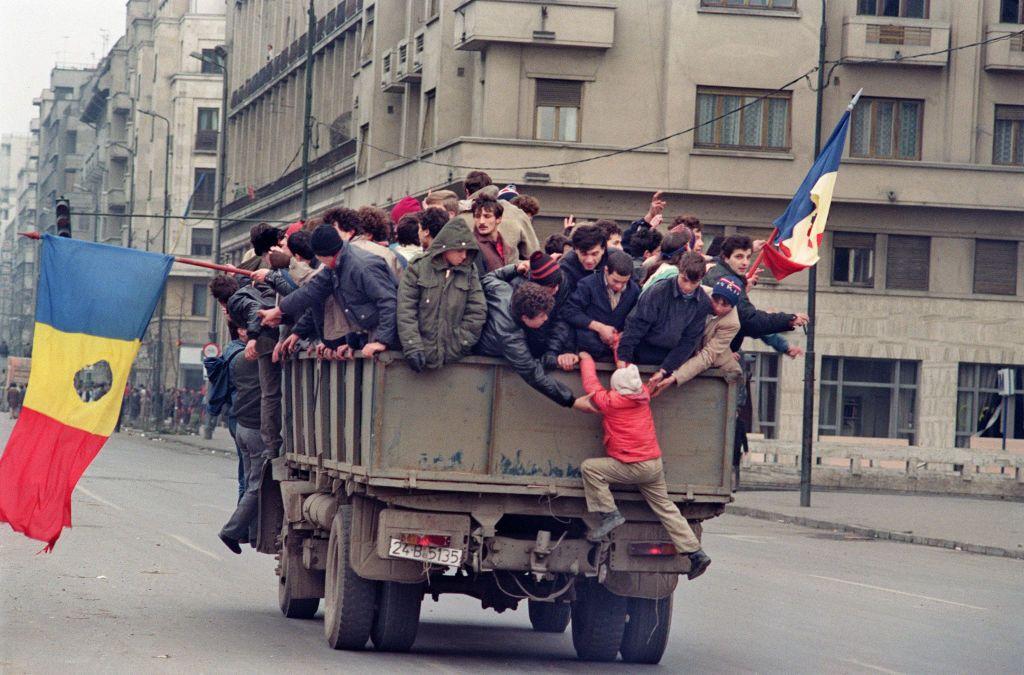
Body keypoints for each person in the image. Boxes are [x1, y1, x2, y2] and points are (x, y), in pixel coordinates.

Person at [575, 352, 711, 580]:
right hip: (653, 466)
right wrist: (619, 345)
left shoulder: (611, 402)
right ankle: (696, 553)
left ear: (617, 388)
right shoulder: (644, 394)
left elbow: (591, 383)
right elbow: (629, 371)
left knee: (591, 468)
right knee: (665, 508)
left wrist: (585, 358)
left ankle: (609, 514)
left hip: (633, 466)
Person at [261, 224, 399, 359]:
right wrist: (279, 310)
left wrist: (381, 342)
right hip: (371, 334)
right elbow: (311, 291)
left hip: (387, 338)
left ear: (321, 255)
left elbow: (388, 301)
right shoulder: (337, 265)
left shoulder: (362, 266)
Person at [475, 279, 586, 409]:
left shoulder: (503, 290)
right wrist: (572, 401)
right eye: (542, 316)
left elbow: (488, 278)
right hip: (487, 353)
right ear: (525, 318)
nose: (546, 318)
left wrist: (514, 268)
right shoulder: (511, 338)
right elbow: (533, 374)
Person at [397, 217, 487, 371]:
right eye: (459, 250)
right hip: (420, 355)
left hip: (454, 358)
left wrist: (459, 345)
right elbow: (406, 309)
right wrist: (413, 346)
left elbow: (477, 311)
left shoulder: (469, 271)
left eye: (466, 251)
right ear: (446, 247)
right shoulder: (418, 267)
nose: (464, 256)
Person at [208, 273, 282, 458]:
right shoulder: (249, 292)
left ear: (220, 300)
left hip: (247, 422)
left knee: (270, 393)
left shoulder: (236, 301)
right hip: (247, 421)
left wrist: (253, 338)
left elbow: (255, 309)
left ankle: (272, 443)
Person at [702, 235, 808, 352]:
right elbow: (749, 320)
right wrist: (789, 319)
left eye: (748, 257)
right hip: (715, 352)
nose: (745, 263)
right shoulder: (728, 281)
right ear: (726, 258)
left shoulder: (718, 270)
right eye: (739, 257)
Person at [617, 252, 711, 379]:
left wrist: (665, 370)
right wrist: (623, 357)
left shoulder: (703, 302)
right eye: (684, 280)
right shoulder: (658, 291)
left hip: (674, 357)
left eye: (694, 283)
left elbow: (689, 340)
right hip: (644, 351)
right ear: (679, 271)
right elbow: (636, 325)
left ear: (701, 279)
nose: (688, 287)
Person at [217, 321, 267, 554]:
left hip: (242, 427)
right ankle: (231, 531)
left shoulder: (235, 358)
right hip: (256, 430)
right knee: (256, 486)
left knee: (249, 483)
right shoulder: (258, 361)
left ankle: (251, 532)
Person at [650, 276, 743, 394]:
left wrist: (676, 376)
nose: (717, 307)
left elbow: (708, 356)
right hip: (683, 349)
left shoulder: (732, 323)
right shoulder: (699, 293)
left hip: (711, 362)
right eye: (715, 300)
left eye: (724, 305)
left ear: (733, 306)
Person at [560, 249, 639, 366]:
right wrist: (599, 327)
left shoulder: (634, 290)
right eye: (615, 281)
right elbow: (569, 311)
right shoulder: (587, 285)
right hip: (587, 349)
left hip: (616, 354)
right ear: (606, 270)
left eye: (624, 282)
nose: (619, 286)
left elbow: (635, 320)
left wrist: (623, 334)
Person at [462, 170, 540, 258]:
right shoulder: (516, 213)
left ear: (467, 191)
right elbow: (533, 254)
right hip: (510, 269)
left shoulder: (458, 215)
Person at [472, 197, 517, 274]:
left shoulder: (508, 246)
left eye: (487, 216)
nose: (481, 221)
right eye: (477, 216)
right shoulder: (472, 245)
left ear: (498, 219)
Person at [559, 223, 608, 294]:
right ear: (575, 249)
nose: (589, 260)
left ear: (603, 249)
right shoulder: (565, 269)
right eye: (584, 254)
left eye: (594, 254)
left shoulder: (613, 261)